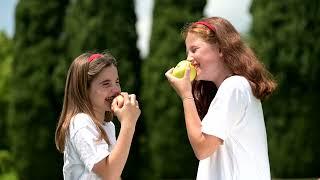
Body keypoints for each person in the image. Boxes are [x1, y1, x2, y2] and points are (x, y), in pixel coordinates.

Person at [165, 17, 277, 180]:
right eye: (187, 51)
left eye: (194, 49)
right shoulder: (236, 88)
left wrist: (186, 96)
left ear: (220, 48)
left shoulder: (234, 87)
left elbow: (202, 148)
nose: (189, 58)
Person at [55, 52, 141, 180]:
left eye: (117, 82)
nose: (116, 89)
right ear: (84, 89)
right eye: (106, 83)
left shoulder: (108, 126)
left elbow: (114, 173)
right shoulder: (81, 123)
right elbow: (109, 173)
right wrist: (129, 123)